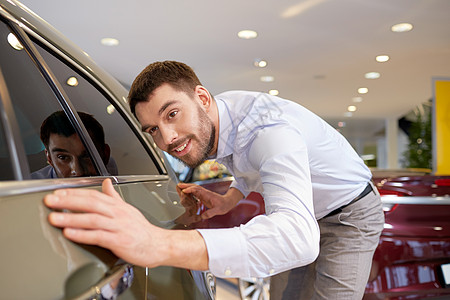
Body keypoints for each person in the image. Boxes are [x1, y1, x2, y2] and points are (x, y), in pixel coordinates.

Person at [44, 61, 384, 299]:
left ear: (202, 98)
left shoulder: (268, 132)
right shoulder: (219, 121)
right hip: (308, 210)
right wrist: (228, 200)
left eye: (172, 114)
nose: (168, 140)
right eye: (154, 130)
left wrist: (158, 244)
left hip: (349, 214)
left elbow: (298, 237)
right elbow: (251, 169)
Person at [32, 111, 115, 178]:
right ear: (49, 159)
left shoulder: (110, 168)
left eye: (88, 155)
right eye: (63, 157)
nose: (78, 172)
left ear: (106, 154)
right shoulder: (30, 192)